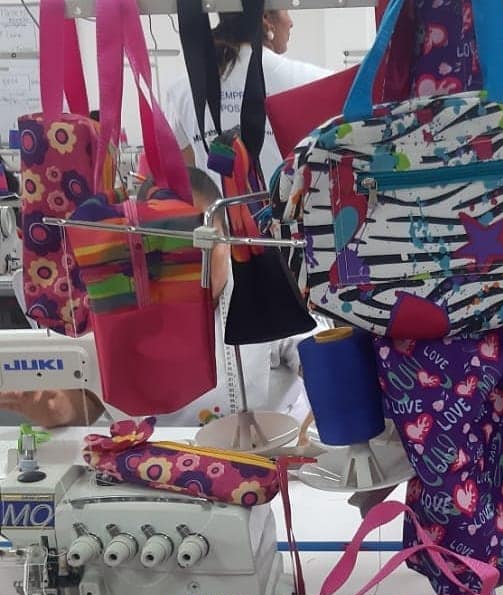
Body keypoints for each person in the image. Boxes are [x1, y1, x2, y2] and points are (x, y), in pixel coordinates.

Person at [0, 168, 309, 431]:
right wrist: (52, 408)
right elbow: (88, 400)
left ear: (227, 237)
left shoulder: (263, 290)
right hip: (157, 465)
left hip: (258, 457)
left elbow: (314, 358)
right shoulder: (120, 303)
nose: (191, 265)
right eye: (170, 247)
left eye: (202, 245)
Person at [165, 10, 330, 185]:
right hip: (290, 200)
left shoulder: (180, 90)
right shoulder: (316, 80)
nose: (291, 22)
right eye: (286, 10)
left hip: (221, 202)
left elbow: (192, 180)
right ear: (265, 17)